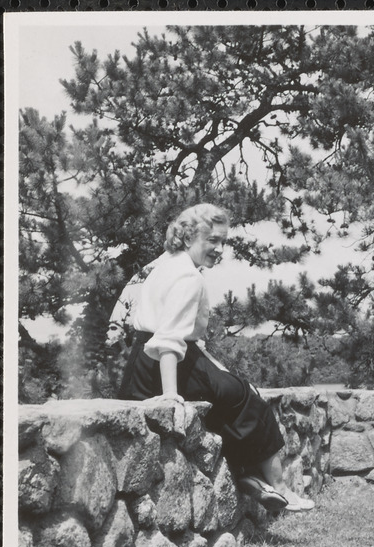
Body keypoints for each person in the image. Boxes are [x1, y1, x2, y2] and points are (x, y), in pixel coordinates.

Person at [117, 203, 313, 513]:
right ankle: (280, 487)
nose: (220, 249)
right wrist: (170, 396)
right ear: (189, 236)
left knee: (226, 401)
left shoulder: (163, 265)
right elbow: (170, 339)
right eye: (213, 240)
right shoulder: (188, 278)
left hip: (140, 369)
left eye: (224, 241)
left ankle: (249, 477)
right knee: (251, 401)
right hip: (171, 366)